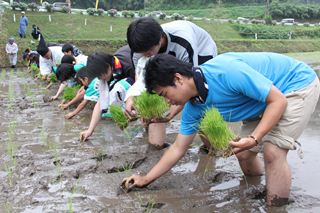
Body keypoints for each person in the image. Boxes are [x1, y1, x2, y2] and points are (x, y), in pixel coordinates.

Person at [123, 53, 320, 206]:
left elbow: (277, 100)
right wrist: (145, 179)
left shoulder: (226, 72)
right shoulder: (194, 107)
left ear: (178, 78)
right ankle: (261, 186)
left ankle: (276, 206)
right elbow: (177, 148)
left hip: (295, 85)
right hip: (260, 100)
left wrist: (254, 138)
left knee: (273, 151)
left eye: (165, 94)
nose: (167, 101)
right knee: (243, 155)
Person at [125, 17, 217, 147]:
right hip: (169, 58)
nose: (147, 55)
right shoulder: (139, 51)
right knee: (154, 98)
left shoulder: (184, 43)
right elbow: (141, 82)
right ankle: (156, 145)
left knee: (199, 101)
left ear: (160, 38)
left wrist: (170, 114)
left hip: (202, 52)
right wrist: (132, 100)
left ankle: (212, 146)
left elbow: (190, 86)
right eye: (142, 53)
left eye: (150, 51)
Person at [79, 51, 134, 141]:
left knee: (118, 89)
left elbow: (143, 87)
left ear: (109, 65)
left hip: (138, 76)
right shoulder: (104, 77)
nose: (102, 78)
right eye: (98, 76)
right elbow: (100, 102)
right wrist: (90, 130)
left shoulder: (129, 66)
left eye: (103, 74)